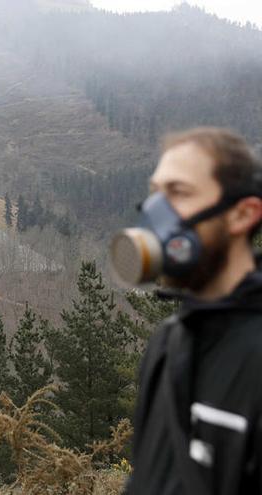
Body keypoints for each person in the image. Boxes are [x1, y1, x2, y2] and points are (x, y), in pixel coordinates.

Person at [121, 128, 262, 494]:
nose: (155, 213)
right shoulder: (169, 342)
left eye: (178, 193)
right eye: (156, 193)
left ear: (242, 215)